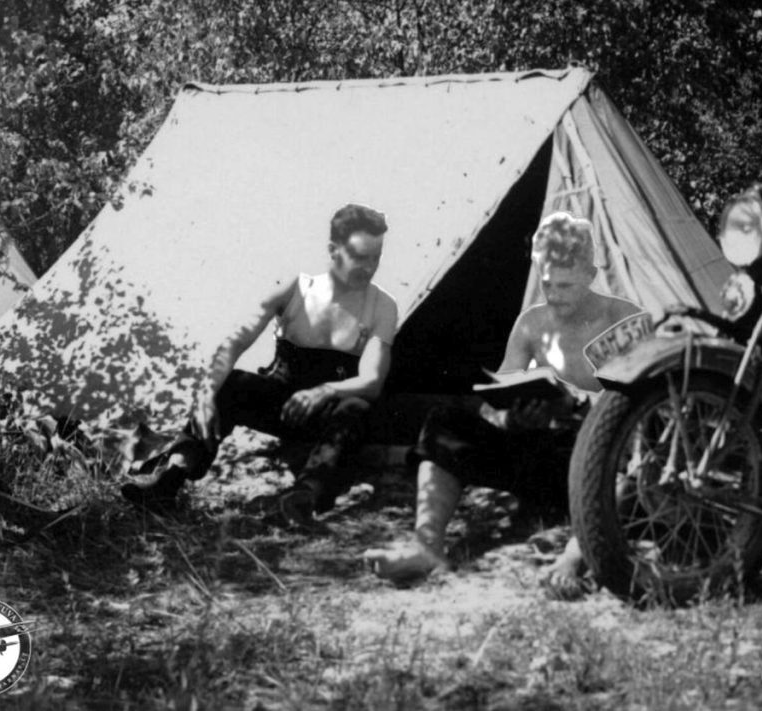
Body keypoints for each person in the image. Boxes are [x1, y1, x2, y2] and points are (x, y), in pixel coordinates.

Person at [363, 211, 643, 591]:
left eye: (565, 286)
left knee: (623, 465)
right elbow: (496, 402)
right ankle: (428, 546)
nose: (555, 296)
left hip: (594, 455)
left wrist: (582, 407)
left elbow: (643, 411)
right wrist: (514, 419)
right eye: (547, 285)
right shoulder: (531, 324)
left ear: (590, 276)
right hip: (539, 453)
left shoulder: (624, 318)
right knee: (445, 421)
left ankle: (574, 557)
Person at [122, 203, 398, 523]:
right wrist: (205, 395)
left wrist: (324, 391)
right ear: (333, 250)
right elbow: (236, 341)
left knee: (355, 408)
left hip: (329, 411)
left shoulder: (383, 305)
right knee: (231, 383)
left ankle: (303, 498)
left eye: (376, 257)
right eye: (360, 257)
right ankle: (168, 481)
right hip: (282, 402)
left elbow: (373, 380)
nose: (369, 267)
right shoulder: (298, 288)